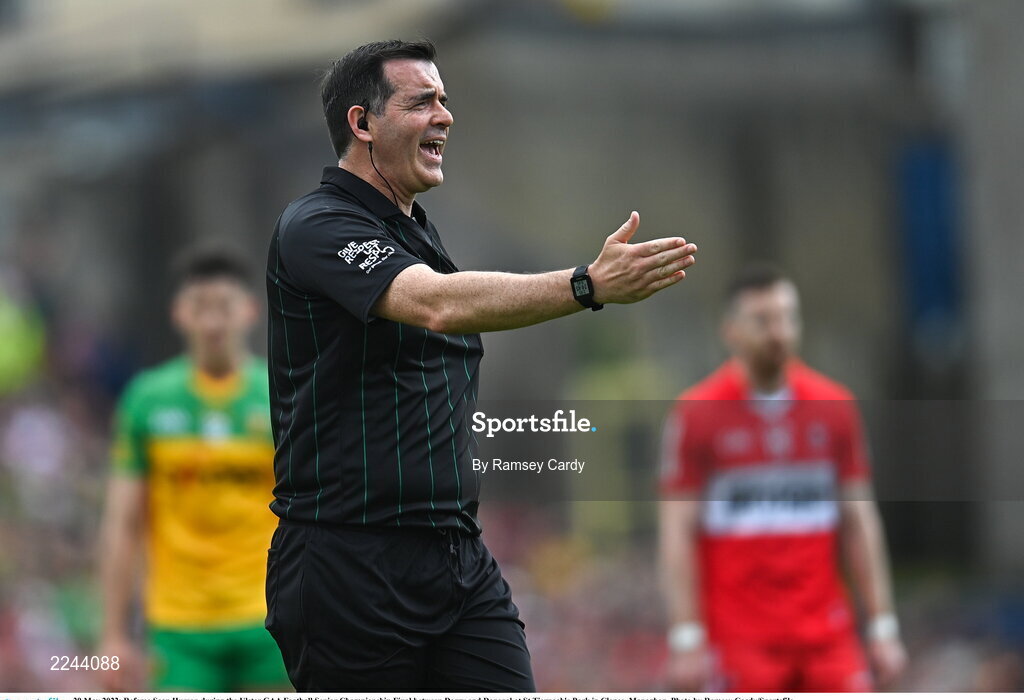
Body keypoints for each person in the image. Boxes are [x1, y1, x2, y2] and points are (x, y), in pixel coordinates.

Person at [265, 39, 698, 691]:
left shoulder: (418, 234)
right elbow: (434, 305)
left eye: (445, 100)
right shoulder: (316, 226)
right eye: (422, 102)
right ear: (362, 124)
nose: (445, 116)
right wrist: (585, 285)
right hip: (346, 562)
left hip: (454, 556)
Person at [658, 263, 907, 692]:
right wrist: (686, 635)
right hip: (739, 639)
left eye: (787, 317)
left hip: (826, 633)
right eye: (762, 320)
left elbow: (860, 522)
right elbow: (676, 533)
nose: (778, 331)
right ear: (731, 330)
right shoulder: (696, 415)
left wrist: (883, 625)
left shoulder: (835, 407)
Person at [98, 246, 289, 692]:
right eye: (200, 308)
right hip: (179, 627)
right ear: (179, 314)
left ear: (248, 311)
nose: (212, 323)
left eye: (223, 307)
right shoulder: (146, 401)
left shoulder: (281, 397)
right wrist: (112, 634)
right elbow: (122, 524)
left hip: (270, 622)